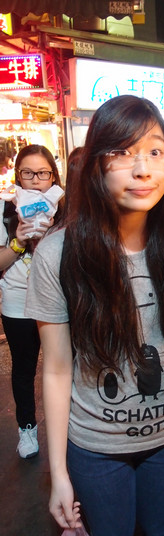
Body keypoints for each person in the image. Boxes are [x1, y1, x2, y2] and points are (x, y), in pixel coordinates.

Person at [25, 95, 164, 536]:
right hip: (96, 448)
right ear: (95, 164)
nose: (143, 169)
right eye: (123, 153)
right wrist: (59, 473)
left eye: (155, 151)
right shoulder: (59, 254)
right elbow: (56, 369)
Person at [0, 144, 63, 459]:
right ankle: (27, 428)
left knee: (62, 366)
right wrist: (19, 241)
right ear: (18, 176)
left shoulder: (64, 209)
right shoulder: (5, 210)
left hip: (57, 302)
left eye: (42, 173)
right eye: (28, 173)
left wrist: (51, 235)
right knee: (24, 369)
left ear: (53, 176)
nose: (36, 180)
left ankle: (67, 429)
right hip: (18, 302)